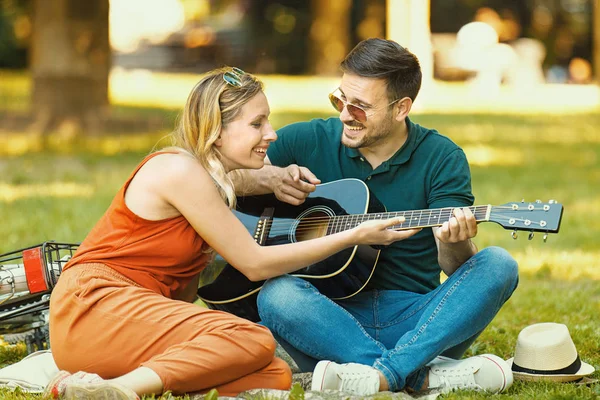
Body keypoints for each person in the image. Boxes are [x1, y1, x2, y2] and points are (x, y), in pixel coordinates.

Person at [44, 67, 418, 400]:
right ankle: (122, 391)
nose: (271, 134)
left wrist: (272, 180)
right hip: (94, 308)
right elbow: (254, 265)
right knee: (252, 338)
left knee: (275, 375)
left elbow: (227, 192)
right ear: (216, 132)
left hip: (130, 324)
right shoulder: (179, 170)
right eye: (257, 124)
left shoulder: (207, 182)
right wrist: (351, 235)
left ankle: (94, 385)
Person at [233, 38, 519, 395]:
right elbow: (215, 178)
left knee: (498, 264)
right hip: (326, 319)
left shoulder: (442, 157)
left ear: (401, 108)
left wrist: (455, 242)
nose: (344, 115)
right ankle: (417, 375)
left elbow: (454, 266)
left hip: (418, 319)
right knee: (278, 295)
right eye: (340, 99)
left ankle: (379, 374)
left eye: (361, 107)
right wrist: (268, 177)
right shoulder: (310, 139)